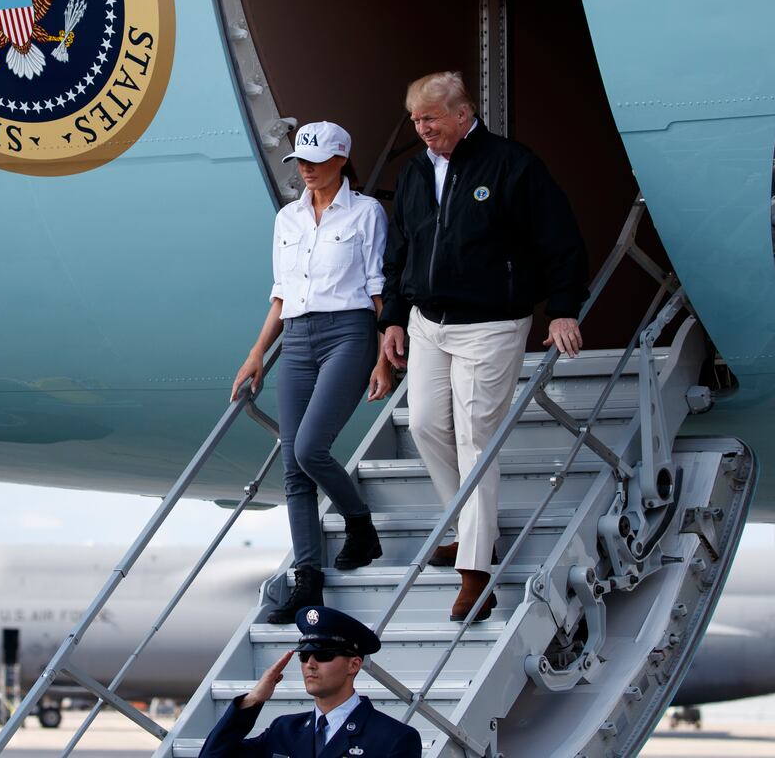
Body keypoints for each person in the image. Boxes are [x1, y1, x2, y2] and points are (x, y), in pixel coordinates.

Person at [379, 72, 588, 623]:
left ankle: (476, 571)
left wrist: (563, 307)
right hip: (428, 321)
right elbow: (400, 249)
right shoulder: (416, 173)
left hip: (491, 323)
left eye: (432, 118)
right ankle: (474, 529)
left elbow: (559, 238)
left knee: (477, 435)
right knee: (424, 423)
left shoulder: (511, 165)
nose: (423, 130)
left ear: (463, 112)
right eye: (417, 120)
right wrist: (394, 318)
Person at [233, 121, 393, 626]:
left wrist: (383, 357)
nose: (305, 170)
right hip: (296, 338)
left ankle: (359, 524)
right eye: (299, 162)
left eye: (315, 161)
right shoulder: (288, 218)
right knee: (291, 465)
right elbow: (281, 292)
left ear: (341, 160)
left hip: (349, 332)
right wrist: (259, 350)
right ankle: (308, 579)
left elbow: (376, 285)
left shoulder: (367, 212)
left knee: (309, 448)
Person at [197, 605, 421, 757]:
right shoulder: (284, 729)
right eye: (304, 656)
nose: (310, 664)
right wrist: (252, 700)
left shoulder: (394, 738)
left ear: (354, 665)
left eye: (323, 655)